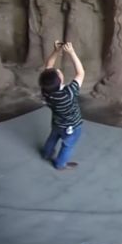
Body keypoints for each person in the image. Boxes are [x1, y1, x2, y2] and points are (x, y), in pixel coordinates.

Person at [38, 41, 85, 170]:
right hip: (72, 126)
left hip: (57, 122)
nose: (58, 70)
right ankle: (60, 164)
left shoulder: (46, 91)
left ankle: (46, 153)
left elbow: (49, 65)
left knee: (53, 137)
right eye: (58, 72)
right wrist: (72, 53)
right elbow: (80, 73)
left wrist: (56, 51)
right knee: (68, 145)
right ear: (60, 80)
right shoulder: (68, 94)